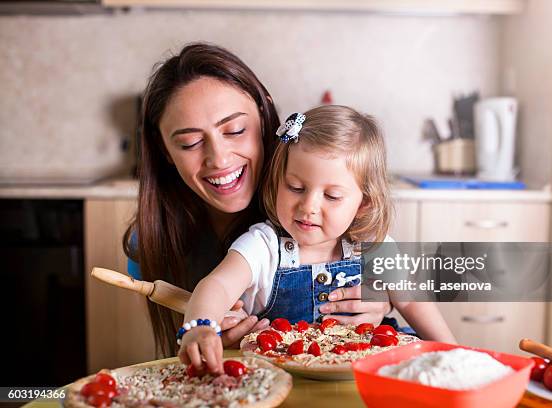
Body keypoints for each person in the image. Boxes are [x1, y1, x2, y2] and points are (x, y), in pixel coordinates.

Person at [123, 43, 392, 357]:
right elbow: (189, 341)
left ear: (264, 114)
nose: (219, 158)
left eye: (235, 130)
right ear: (165, 151)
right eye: (190, 142)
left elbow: (440, 276)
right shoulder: (152, 243)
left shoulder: (315, 178)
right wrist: (207, 338)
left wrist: (385, 298)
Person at [178, 106, 455, 373]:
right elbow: (217, 285)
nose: (308, 206)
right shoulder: (262, 246)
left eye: (332, 196)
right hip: (286, 379)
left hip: (363, 378)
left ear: (363, 204)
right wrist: (200, 326)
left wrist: (453, 353)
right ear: (277, 181)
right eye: (295, 187)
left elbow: (412, 302)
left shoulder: (375, 246)